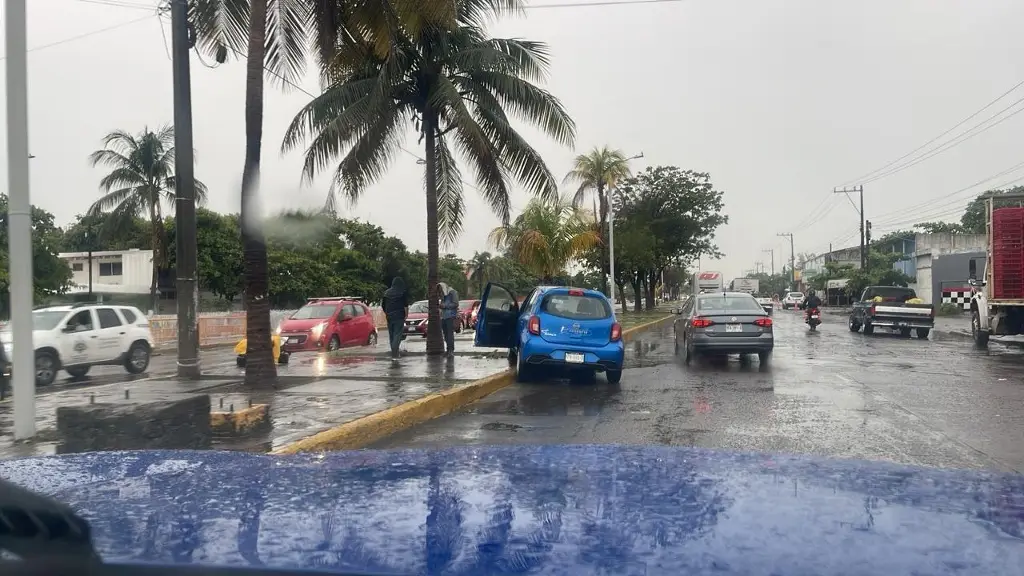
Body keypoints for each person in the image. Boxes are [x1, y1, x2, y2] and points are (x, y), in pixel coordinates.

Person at [382, 277, 408, 358]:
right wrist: (406, 315)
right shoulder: (402, 292)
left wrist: (387, 313)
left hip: (389, 316)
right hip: (399, 316)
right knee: (397, 334)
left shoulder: (386, 293)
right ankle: (394, 351)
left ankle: (395, 352)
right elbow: (406, 305)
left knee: (392, 335)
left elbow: (383, 305)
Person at [438, 282, 459, 357]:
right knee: (446, 334)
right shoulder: (444, 294)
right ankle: (448, 350)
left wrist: (445, 306)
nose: (440, 292)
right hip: (443, 316)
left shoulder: (452, 292)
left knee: (450, 334)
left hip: (450, 316)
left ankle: (451, 351)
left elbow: (456, 303)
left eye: (441, 290)